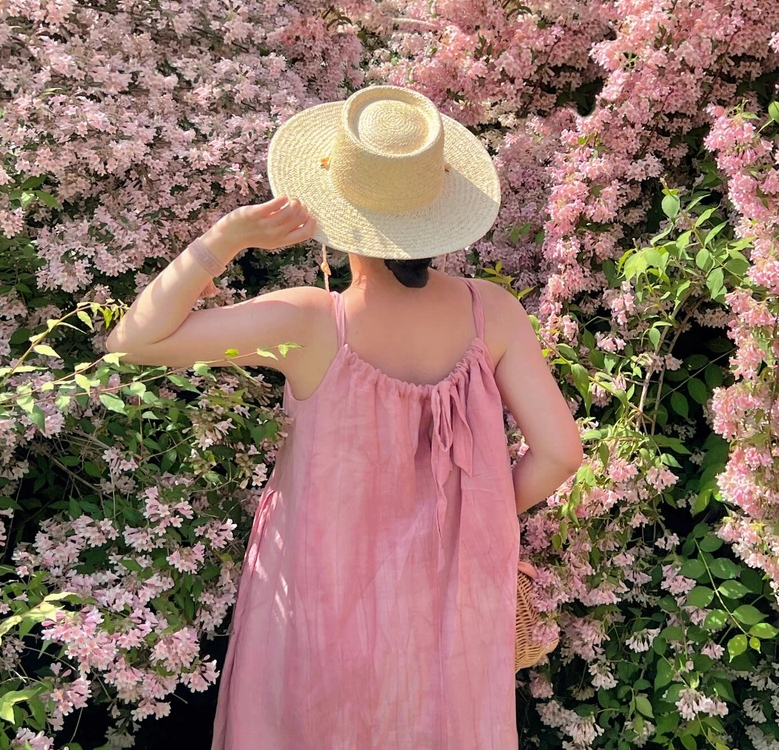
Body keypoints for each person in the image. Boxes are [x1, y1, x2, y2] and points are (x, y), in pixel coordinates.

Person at [106, 85, 584, 749]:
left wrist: (227, 237)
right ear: (438, 213)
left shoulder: (310, 322)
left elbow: (134, 340)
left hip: (320, 597)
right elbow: (561, 452)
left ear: (336, 211)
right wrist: (472, 514)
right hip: (446, 603)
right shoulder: (492, 312)